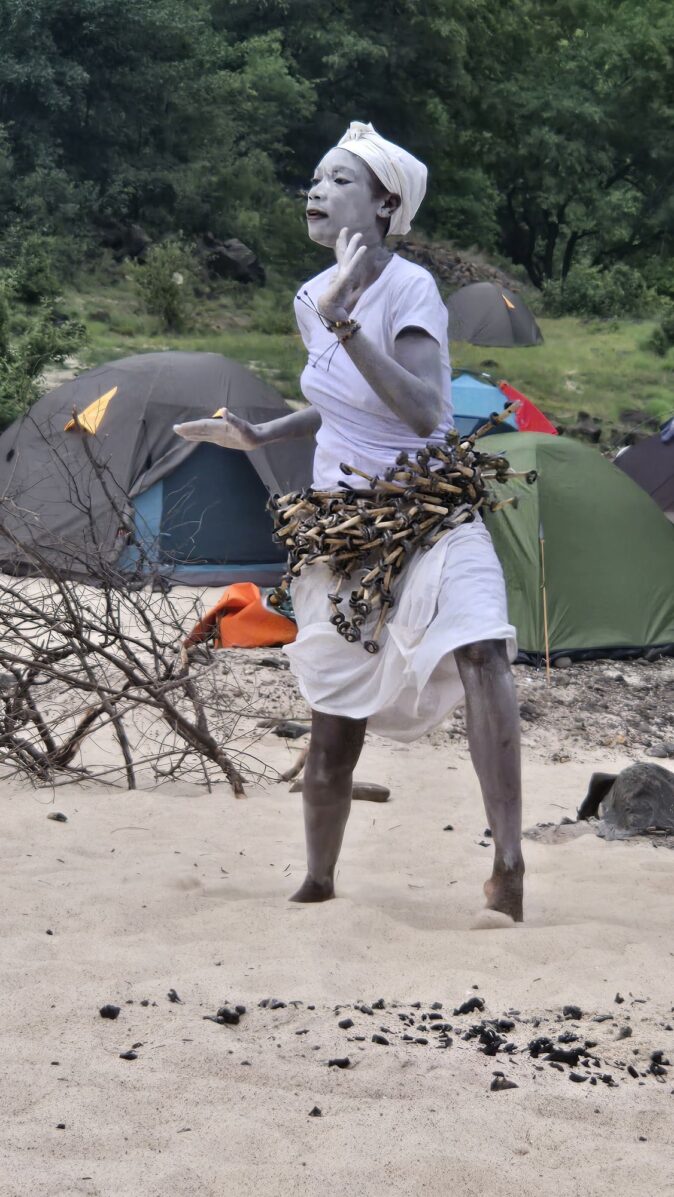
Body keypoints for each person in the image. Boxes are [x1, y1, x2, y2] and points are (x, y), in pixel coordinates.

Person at [175, 121, 524, 922]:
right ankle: (319, 879)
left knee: (482, 646)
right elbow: (341, 401)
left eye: (339, 180)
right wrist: (263, 433)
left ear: (385, 205)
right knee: (334, 716)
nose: (317, 190)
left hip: (427, 506)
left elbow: (425, 410)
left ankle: (508, 864)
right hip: (343, 524)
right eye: (316, 178)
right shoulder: (311, 296)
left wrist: (346, 321)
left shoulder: (409, 289)